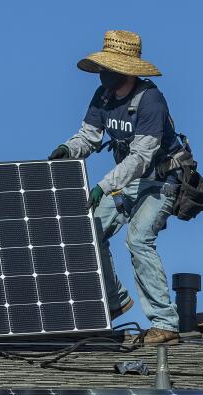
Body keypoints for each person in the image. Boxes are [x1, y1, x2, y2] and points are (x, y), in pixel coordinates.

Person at [48, 30, 185, 345]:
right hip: (130, 181)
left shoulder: (150, 100)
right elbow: (89, 136)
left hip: (161, 182)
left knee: (139, 239)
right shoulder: (104, 97)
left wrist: (101, 187)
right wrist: (68, 150)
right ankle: (114, 300)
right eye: (102, 68)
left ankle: (165, 324)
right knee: (89, 230)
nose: (103, 74)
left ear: (126, 71)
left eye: (109, 68)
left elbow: (140, 158)